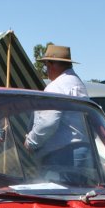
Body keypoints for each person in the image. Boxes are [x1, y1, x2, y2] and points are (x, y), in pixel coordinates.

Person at [26, 44, 92, 175]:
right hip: (83, 151)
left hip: (61, 155)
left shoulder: (55, 87)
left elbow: (48, 122)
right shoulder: (78, 84)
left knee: (55, 188)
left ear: (53, 64)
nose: (46, 69)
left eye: (46, 65)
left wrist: (30, 141)